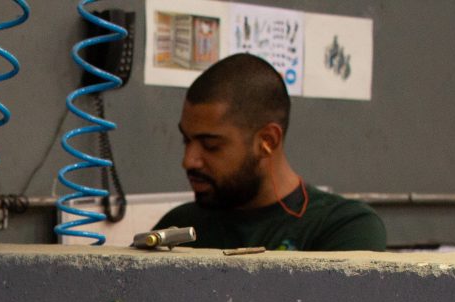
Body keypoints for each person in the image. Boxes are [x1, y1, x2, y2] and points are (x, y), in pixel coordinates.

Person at [153, 53, 386, 252]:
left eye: (211, 145)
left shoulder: (343, 227)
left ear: (267, 141)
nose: (189, 161)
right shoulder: (178, 227)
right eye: (186, 140)